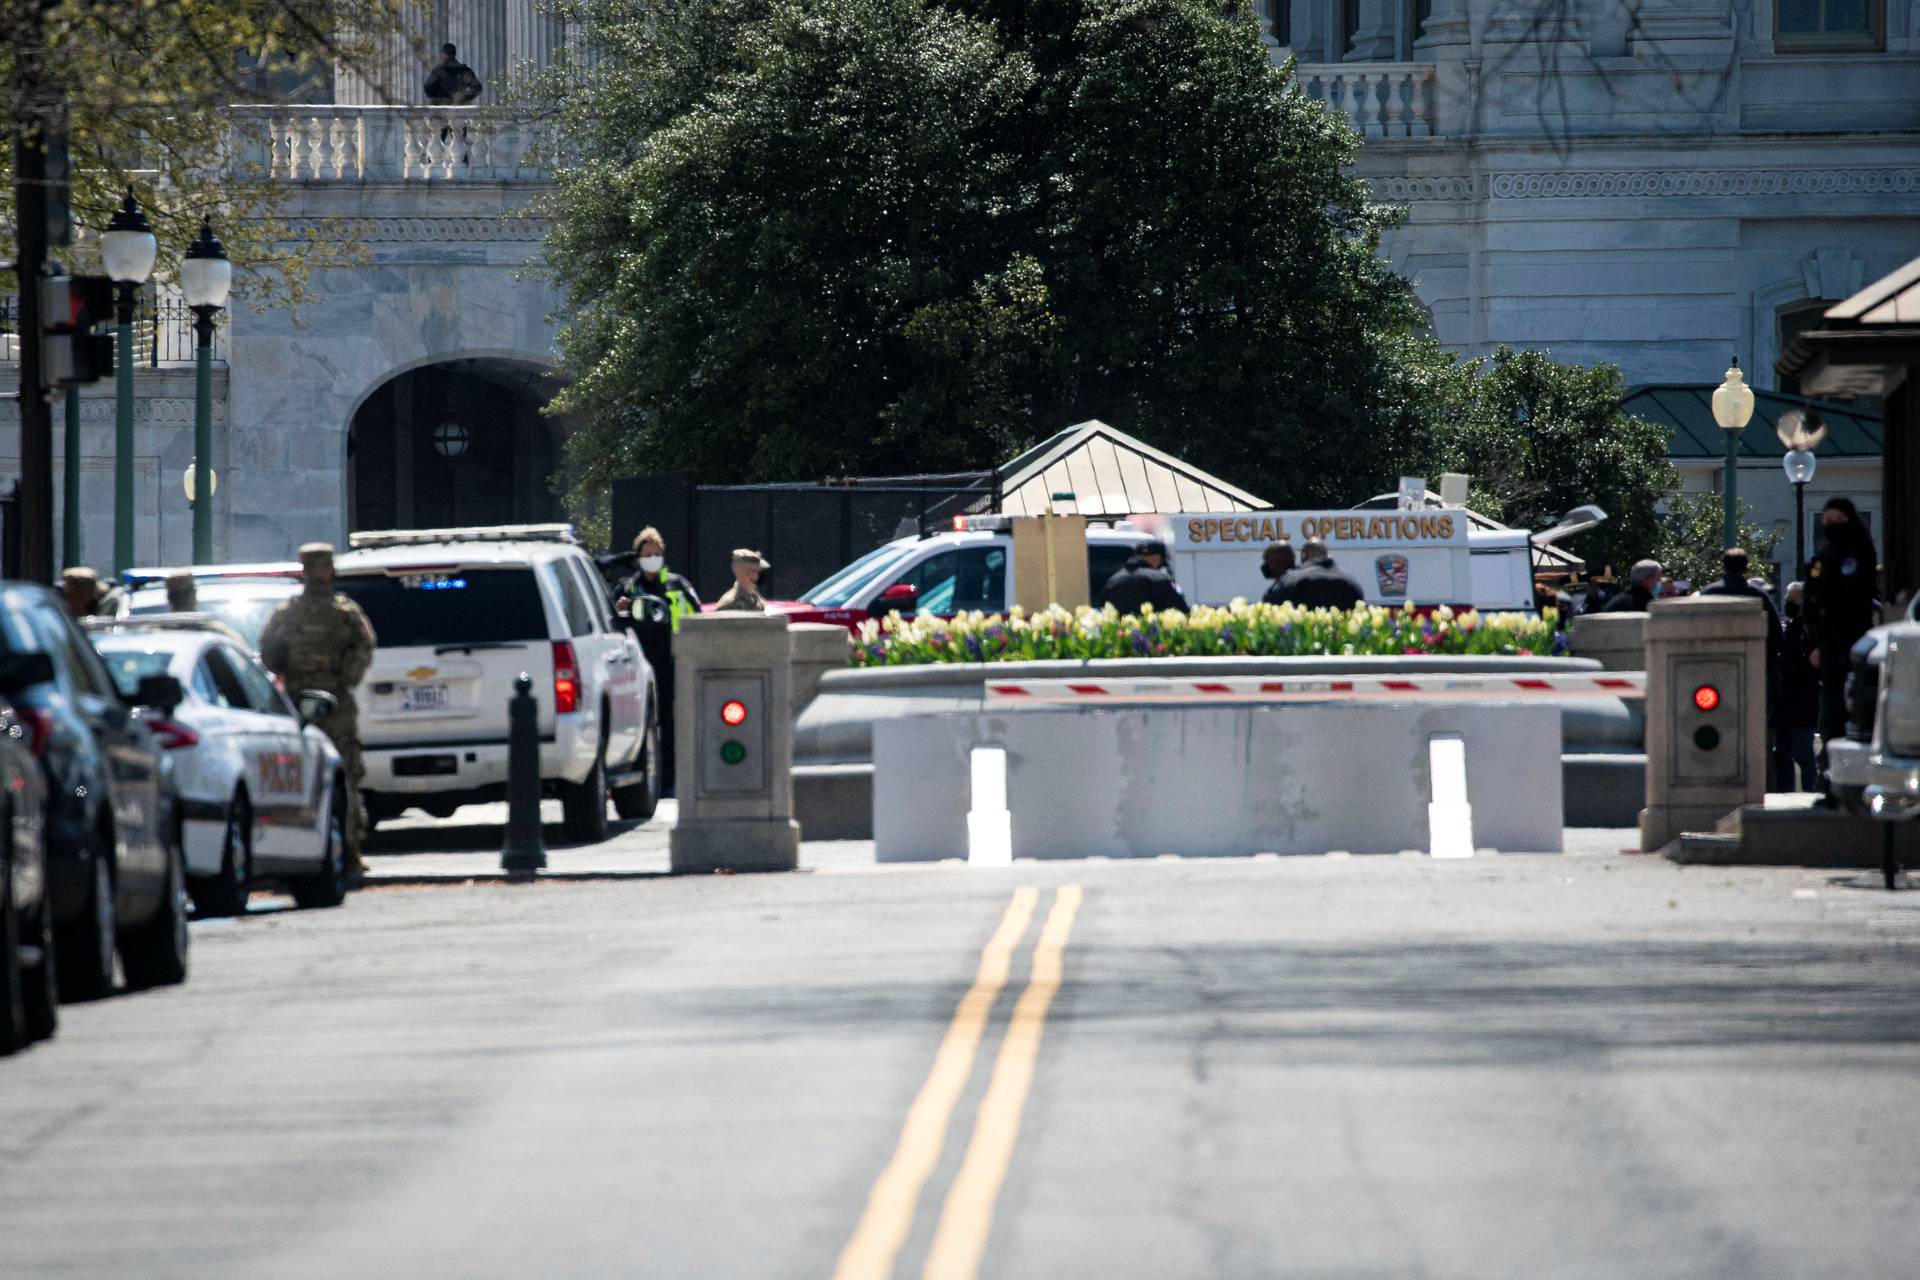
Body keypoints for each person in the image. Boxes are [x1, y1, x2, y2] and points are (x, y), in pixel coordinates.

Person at [259, 544, 377, 876]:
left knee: (310, 778)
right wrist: (344, 679)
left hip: (303, 705)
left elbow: (267, 653)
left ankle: (321, 852)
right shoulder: (343, 611)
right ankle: (347, 851)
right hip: (328, 703)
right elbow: (365, 649)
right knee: (341, 777)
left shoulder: (288, 613)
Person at [613, 528, 702, 795]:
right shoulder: (627, 588)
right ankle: (644, 778)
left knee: (672, 722)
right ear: (637, 558)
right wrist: (623, 609)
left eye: (657, 553)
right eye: (647, 554)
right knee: (643, 721)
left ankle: (671, 780)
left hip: (673, 662)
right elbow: (615, 625)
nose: (653, 558)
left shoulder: (677, 584)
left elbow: (696, 615)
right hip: (640, 663)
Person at [1802, 497, 1879, 782]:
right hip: (1828, 646)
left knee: (1855, 711)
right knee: (1830, 714)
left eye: (1838, 521)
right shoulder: (1825, 555)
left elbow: (1854, 598)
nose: (1832, 527)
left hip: (1855, 644)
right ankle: (1830, 780)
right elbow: (1812, 600)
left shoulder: (1859, 553)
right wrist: (1816, 642)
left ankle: (1855, 777)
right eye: (1827, 522)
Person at [1697, 547, 1782, 741]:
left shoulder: (1709, 593)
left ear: (1723, 566)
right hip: (1755, 672)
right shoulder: (1758, 596)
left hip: (1714, 671)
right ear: (1746, 568)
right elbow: (1776, 634)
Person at [1776, 581, 1821, 791]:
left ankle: (1810, 792)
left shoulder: (1811, 627)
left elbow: (1814, 661)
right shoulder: (1791, 626)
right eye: (1788, 598)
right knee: (1784, 753)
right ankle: (1786, 792)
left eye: (1793, 598)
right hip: (1786, 700)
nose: (1788, 602)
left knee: (1803, 755)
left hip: (1802, 700)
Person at [1267, 539, 1364, 610]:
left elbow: (1271, 605)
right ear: (1327, 555)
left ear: (1303, 556)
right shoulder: (1351, 582)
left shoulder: (1292, 580)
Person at [1102, 540, 1190, 615]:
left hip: (1120, 634)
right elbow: (1181, 610)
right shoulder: (1161, 579)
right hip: (1153, 633)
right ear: (1157, 559)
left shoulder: (1113, 580)